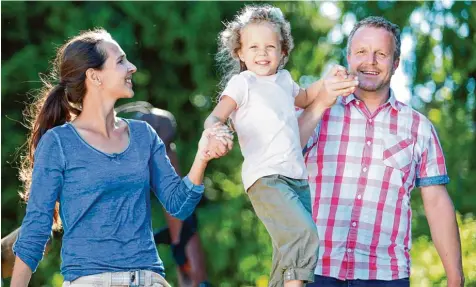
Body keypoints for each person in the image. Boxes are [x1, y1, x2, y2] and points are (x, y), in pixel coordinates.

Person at [10, 28, 232, 287]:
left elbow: (178, 205)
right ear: (95, 77)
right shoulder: (59, 143)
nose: (132, 67)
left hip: (148, 279)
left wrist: (202, 157)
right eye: (121, 61)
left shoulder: (143, 135)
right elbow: (35, 230)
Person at [299, 16, 464, 287]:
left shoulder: (418, 128)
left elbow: (436, 202)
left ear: (395, 63)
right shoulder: (318, 112)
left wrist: (455, 278)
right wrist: (318, 106)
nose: (370, 61)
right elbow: (283, 157)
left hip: (385, 275)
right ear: (349, 57)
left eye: (381, 54)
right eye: (361, 52)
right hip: (313, 268)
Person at [205, 5, 357, 287]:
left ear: (283, 52)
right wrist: (216, 131)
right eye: (253, 47)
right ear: (240, 52)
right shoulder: (243, 84)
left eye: (270, 47)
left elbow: (309, 96)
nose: (262, 53)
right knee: (305, 234)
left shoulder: (285, 81)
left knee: (286, 250)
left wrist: (329, 81)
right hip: (266, 178)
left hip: (298, 180)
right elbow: (216, 115)